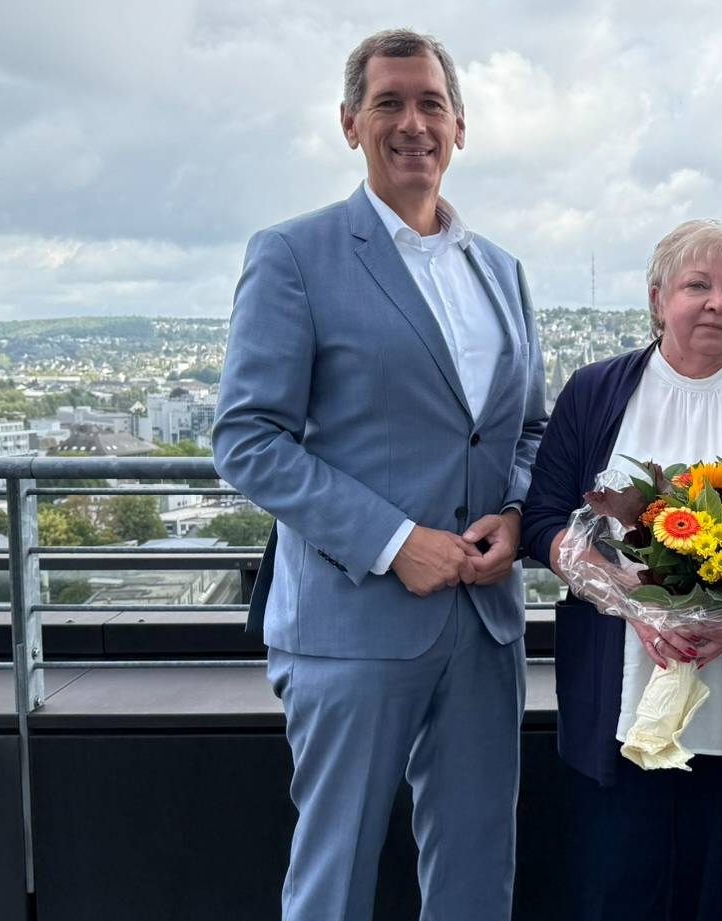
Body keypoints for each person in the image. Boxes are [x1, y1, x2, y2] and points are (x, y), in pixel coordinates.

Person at [211, 28, 546, 921]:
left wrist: (515, 514)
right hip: (352, 623)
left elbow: (528, 431)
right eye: (389, 103)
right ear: (350, 123)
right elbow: (247, 437)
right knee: (335, 880)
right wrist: (395, 543)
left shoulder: (502, 272)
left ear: (461, 126)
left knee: (478, 874)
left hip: (483, 625)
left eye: (430, 103)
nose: (412, 123)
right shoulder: (294, 254)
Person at [521, 219, 722, 920]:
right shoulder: (596, 392)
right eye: (699, 285)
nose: (719, 303)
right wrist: (623, 591)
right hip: (618, 710)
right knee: (615, 895)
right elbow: (542, 520)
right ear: (658, 299)